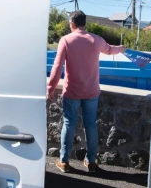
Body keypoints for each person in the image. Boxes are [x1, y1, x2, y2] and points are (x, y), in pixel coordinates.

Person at [47, 10, 125, 173]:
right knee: (91, 125)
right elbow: (110, 49)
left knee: (68, 124)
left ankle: (64, 161)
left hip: (72, 92)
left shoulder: (66, 40)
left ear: (72, 24)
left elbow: (57, 67)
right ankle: (90, 162)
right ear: (85, 24)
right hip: (91, 92)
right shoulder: (95, 39)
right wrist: (122, 49)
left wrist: (50, 88)